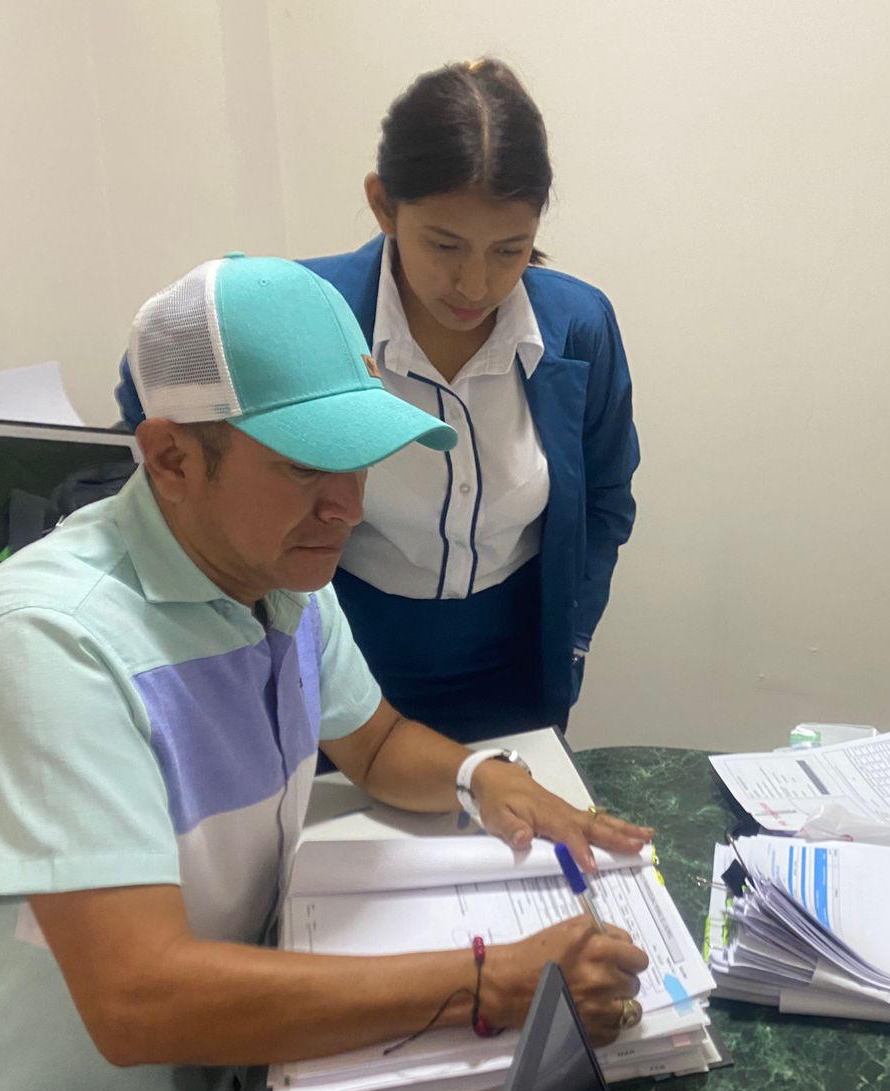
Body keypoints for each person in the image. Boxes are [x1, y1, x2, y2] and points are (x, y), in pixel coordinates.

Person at [0, 256, 653, 1091]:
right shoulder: (48, 641)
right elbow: (138, 1000)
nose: (348, 507)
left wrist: (483, 777)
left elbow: (373, 743)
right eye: (303, 467)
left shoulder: (282, 579)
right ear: (170, 456)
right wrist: (496, 983)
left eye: (359, 462)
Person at [116, 58, 640, 743]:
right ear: (383, 205)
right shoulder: (308, 311)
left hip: (518, 671)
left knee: (508, 809)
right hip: (335, 664)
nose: (474, 284)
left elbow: (605, 500)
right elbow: (149, 389)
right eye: (444, 245)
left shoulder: (576, 328)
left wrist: (572, 637)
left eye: (508, 251)